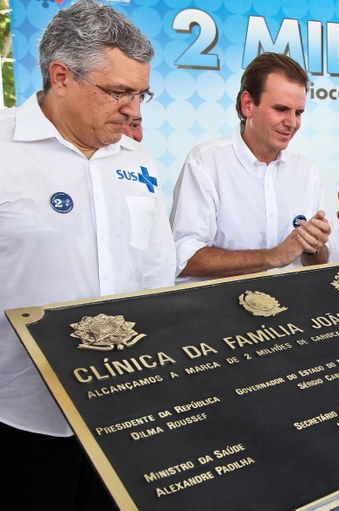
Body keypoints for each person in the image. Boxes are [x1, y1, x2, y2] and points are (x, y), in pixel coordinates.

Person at [0, 1, 176, 508]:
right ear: (61, 76)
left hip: (123, 422)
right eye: (119, 92)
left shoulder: (138, 159)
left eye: (142, 93)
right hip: (22, 420)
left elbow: (157, 276)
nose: (135, 110)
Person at [170, 52, 330, 280]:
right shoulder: (205, 162)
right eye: (281, 109)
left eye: (298, 113)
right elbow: (182, 259)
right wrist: (272, 257)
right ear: (247, 105)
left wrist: (316, 246)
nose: (292, 123)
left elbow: (315, 262)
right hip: (223, 312)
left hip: (294, 308)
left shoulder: (306, 170)